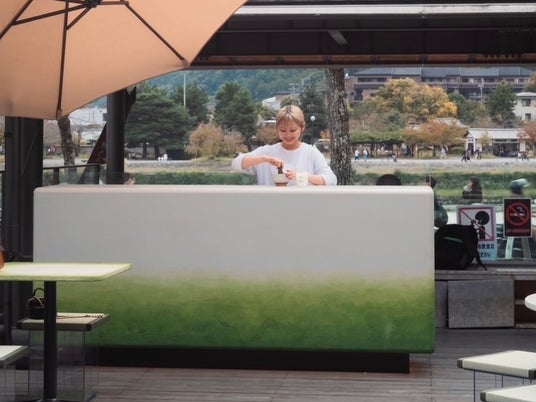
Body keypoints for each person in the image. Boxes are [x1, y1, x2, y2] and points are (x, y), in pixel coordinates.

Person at [231, 105, 337, 186]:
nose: (288, 135)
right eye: (282, 130)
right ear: (277, 128)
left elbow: (331, 180)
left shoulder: (310, 152)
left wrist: (302, 177)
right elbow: (236, 163)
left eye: (293, 130)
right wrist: (264, 159)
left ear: (302, 127)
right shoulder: (267, 152)